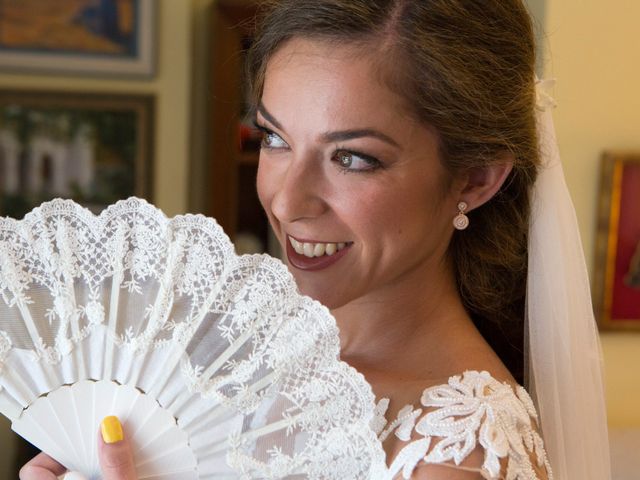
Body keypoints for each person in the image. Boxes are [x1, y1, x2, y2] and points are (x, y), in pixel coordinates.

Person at [20, 0, 610, 479]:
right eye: (274, 138)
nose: (287, 200)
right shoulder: (231, 363)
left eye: (352, 157)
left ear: (476, 178)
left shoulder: (457, 454)